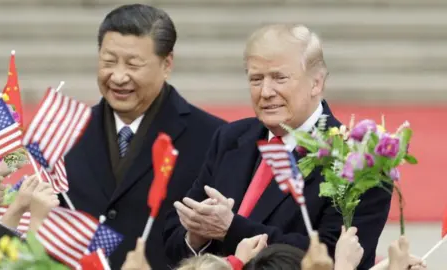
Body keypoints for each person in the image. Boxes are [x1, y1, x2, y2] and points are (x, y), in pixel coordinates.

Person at [163, 23, 391, 269]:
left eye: (279, 78)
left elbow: (335, 257)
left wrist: (231, 228)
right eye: (256, 79)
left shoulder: (358, 160)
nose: (266, 92)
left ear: (317, 82)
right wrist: (197, 237)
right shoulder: (231, 138)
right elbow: (173, 238)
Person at [62, 4, 226, 269]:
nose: (118, 76)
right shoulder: (66, 130)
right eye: (108, 62)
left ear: (167, 63)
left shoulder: (212, 137)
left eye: (133, 64)